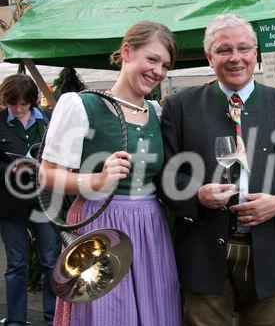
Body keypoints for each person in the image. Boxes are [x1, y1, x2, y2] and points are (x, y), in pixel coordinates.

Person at [160, 14, 275, 325]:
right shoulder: (180, 106)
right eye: (224, 49)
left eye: (243, 48)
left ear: (256, 53)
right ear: (209, 57)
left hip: (269, 250)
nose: (236, 57)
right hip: (203, 250)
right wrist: (196, 194)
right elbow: (165, 174)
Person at [38, 21, 181, 325]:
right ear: (127, 51)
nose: (158, 71)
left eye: (165, 65)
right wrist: (96, 180)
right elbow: (46, 175)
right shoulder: (81, 104)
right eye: (152, 59)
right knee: (107, 315)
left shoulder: (156, 112)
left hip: (150, 227)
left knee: (155, 313)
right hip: (100, 223)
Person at [0, 74, 59, 325]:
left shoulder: (47, 120)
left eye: (24, 103)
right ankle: (15, 321)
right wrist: (9, 170)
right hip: (10, 202)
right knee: (16, 264)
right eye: (13, 103)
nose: (18, 108)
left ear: (33, 101)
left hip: (44, 199)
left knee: (51, 261)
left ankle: (52, 318)